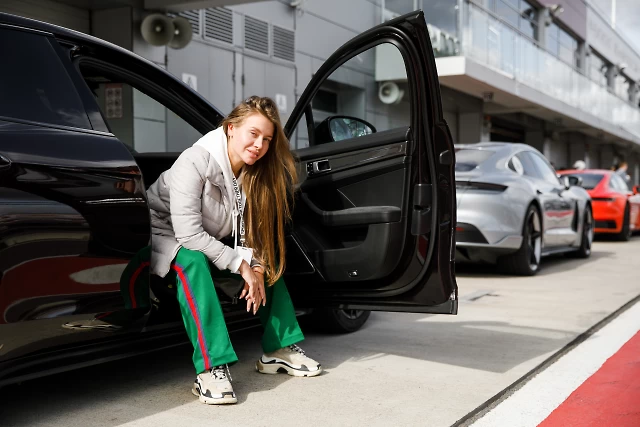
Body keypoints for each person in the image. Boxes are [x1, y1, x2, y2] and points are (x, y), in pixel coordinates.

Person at [146, 96, 322, 405]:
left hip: (204, 240)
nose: (259, 145)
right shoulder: (194, 161)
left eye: (267, 139)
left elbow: (256, 234)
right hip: (162, 237)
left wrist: (257, 267)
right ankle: (211, 368)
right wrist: (241, 265)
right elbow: (188, 234)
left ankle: (279, 348)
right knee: (192, 261)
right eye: (253, 134)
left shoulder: (254, 173)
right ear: (230, 128)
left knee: (266, 263)